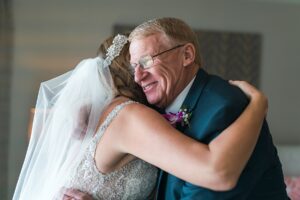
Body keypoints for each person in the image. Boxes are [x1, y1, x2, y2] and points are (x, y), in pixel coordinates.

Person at [14, 33, 266, 200]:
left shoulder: (106, 112)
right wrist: (257, 105)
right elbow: (216, 172)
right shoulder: (130, 116)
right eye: (143, 61)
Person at [128, 17, 289, 199]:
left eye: (146, 62)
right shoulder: (153, 113)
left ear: (187, 55)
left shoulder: (226, 107)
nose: (137, 77)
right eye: (134, 67)